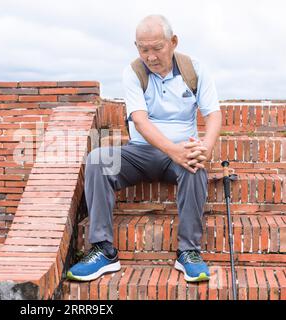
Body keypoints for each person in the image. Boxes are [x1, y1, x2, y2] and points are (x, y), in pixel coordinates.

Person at [67, 15, 222, 283]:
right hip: (140, 152)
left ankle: (189, 253)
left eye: (157, 48)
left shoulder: (194, 70)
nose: (150, 56)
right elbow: (139, 119)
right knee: (98, 160)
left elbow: (214, 115)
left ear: (173, 42)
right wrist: (174, 151)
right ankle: (103, 251)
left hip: (182, 154)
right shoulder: (133, 72)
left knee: (195, 168)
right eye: (143, 48)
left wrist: (205, 148)